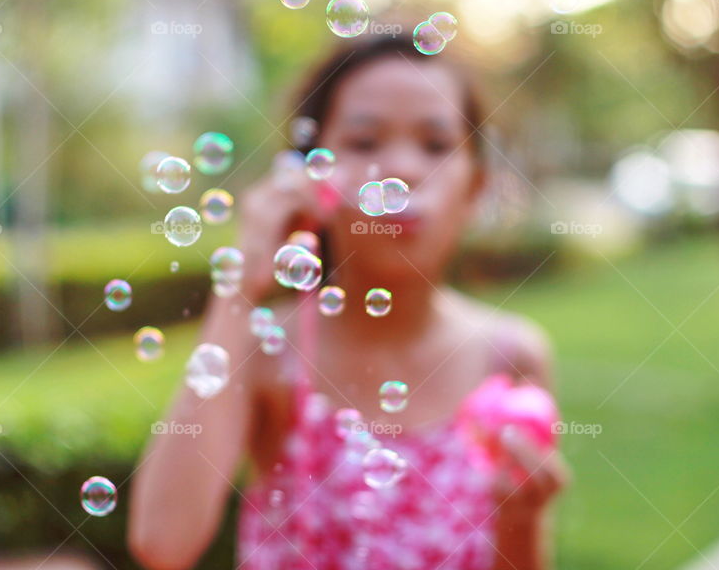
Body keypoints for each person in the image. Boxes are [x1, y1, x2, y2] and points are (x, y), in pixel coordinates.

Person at [128, 33, 568, 570]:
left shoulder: (510, 358)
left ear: (475, 186)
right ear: (311, 178)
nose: (402, 168)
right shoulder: (267, 349)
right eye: (363, 142)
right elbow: (163, 543)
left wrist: (519, 521)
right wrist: (241, 285)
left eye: (435, 144)